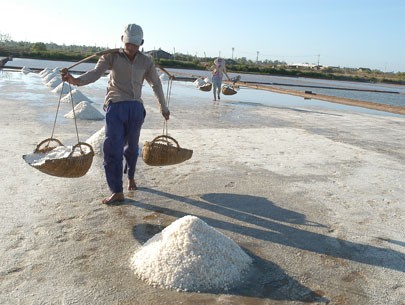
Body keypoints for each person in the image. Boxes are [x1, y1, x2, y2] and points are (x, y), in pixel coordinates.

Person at [62, 23, 170, 204]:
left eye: (135, 44)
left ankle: (131, 177)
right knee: (112, 148)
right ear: (122, 40)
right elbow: (95, 73)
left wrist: (163, 107)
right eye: (128, 43)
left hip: (135, 109)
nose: (131, 47)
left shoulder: (146, 61)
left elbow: (156, 84)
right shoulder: (111, 56)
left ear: (141, 43)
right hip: (116, 107)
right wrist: (75, 80)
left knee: (132, 148)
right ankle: (116, 190)